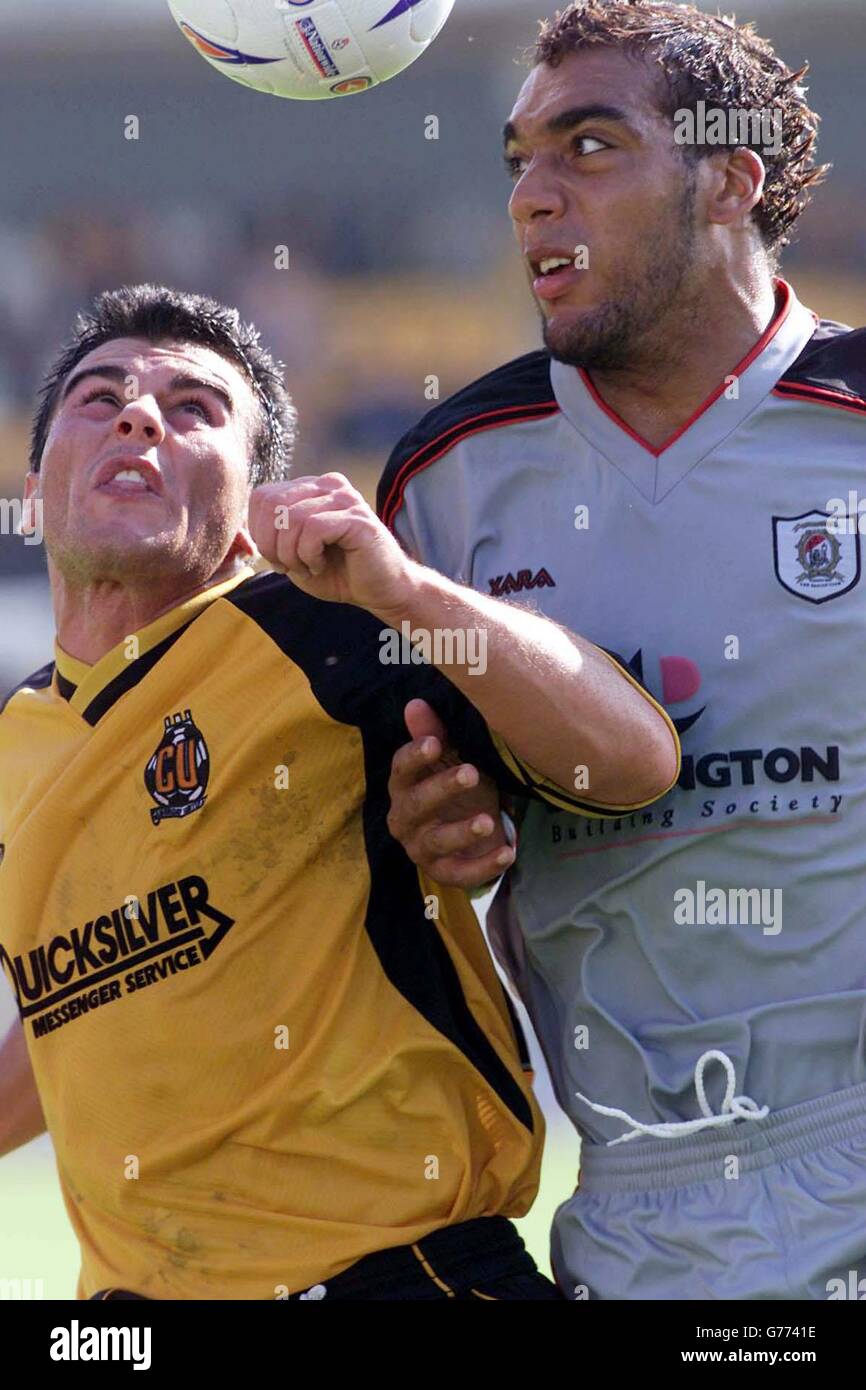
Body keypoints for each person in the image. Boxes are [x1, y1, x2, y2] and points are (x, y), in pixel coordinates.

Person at [0, 283, 677, 1301]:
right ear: (35, 478)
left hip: (394, 1278)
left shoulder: (319, 624)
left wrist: (403, 590)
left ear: (246, 514)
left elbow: (630, 759)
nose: (139, 413)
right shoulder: (20, 739)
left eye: (195, 410)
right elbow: (80, 1009)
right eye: (99, 399)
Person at [380, 0, 866, 1301]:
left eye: (587, 147)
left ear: (726, 178)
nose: (533, 196)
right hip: (637, 1218)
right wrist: (430, 814)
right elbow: (410, 818)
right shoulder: (445, 477)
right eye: (518, 160)